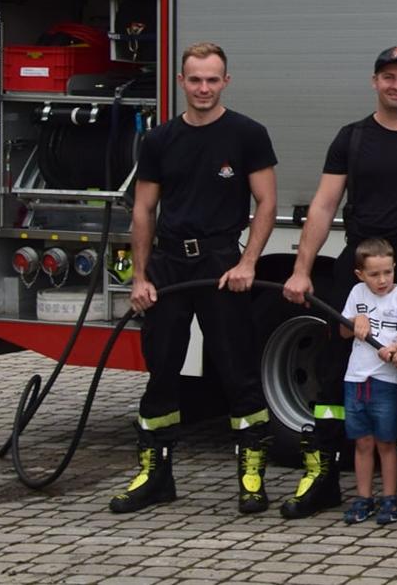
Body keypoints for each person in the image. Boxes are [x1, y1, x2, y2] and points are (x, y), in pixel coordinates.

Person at [279, 45, 397, 519]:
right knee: (336, 367)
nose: (396, 85)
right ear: (374, 81)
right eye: (388, 76)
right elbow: (322, 205)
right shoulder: (351, 138)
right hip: (357, 266)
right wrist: (301, 268)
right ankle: (322, 475)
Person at [111, 42, 278, 515]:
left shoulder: (248, 134)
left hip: (221, 265)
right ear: (181, 82)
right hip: (168, 267)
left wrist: (248, 264)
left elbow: (265, 202)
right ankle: (155, 475)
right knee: (162, 368)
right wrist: (140, 278)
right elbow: (143, 210)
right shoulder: (160, 139)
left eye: (212, 79)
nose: (203, 88)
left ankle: (251, 476)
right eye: (195, 79)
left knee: (236, 369)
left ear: (226, 81)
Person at [337, 238, 397, 526]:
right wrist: (355, 322)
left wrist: (396, 350)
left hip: (386, 381)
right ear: (360, 275)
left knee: (386, 442)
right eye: (374, 275)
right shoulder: (357, 293)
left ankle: (391, 497)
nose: (382, 280)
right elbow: (344, 332)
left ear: (394, 268)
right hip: (356, 378)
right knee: (362, 442)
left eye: (387, 273)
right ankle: (364, 497)